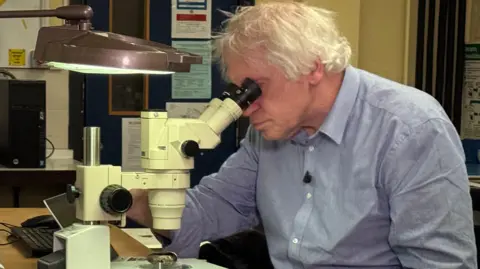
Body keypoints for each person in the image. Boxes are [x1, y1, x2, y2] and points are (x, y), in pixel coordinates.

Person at [127, 2, 478, 268]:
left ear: (311, 68)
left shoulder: (409, 129)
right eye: (239, 91)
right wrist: (137, 201)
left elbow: (440, 264)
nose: (246, 108)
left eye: (255, 88)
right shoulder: (269, 133)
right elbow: (217, 208)